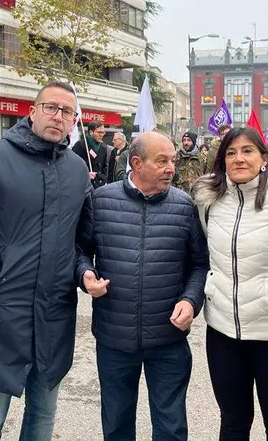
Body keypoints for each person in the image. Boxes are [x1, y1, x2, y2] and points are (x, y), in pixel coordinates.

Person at [0, 82, 92, 441]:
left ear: (74, 121)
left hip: (54, 316)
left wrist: (83, 273)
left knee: (42, 420)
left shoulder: (76, 170)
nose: (58, 116)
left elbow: (79, 241)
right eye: (51, 107)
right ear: (33, 110)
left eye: (67, 112)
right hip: (1, 312)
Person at [76, 131, 209, 441]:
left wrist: (191, 301)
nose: (171, 169)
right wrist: (85, 275)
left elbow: (200, 264)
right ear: (136, 163)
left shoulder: (184, 206)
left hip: (169, 339)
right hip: (114, 339)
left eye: (173, 161)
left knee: (171, 427)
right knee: (117, 423)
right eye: (162, 161)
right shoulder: (100, 201)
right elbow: (79, 250)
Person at [192, 127, 268, 440]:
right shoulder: (210, 203)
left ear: (264, 157)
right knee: (233, 423)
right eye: (231, 153)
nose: (239, 158)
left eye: (247, 150)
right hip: (223, 334)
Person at [72, 121, 110, 189]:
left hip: (98, 185)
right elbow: (73, 166)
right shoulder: (81, 145)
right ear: (91, 132)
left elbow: (104, 167)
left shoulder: (103, 147)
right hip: (82, 185)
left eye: (103, 132)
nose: (101, 135)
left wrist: (102, 178)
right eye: (99, 132)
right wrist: (85, 175)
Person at [174, 130, 205, 195]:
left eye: (189, 140)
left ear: (193, 142)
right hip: (180, 194)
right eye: (184, 140)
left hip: (197, 194)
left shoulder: (202, 157)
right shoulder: (176, 157)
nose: (186, 143)